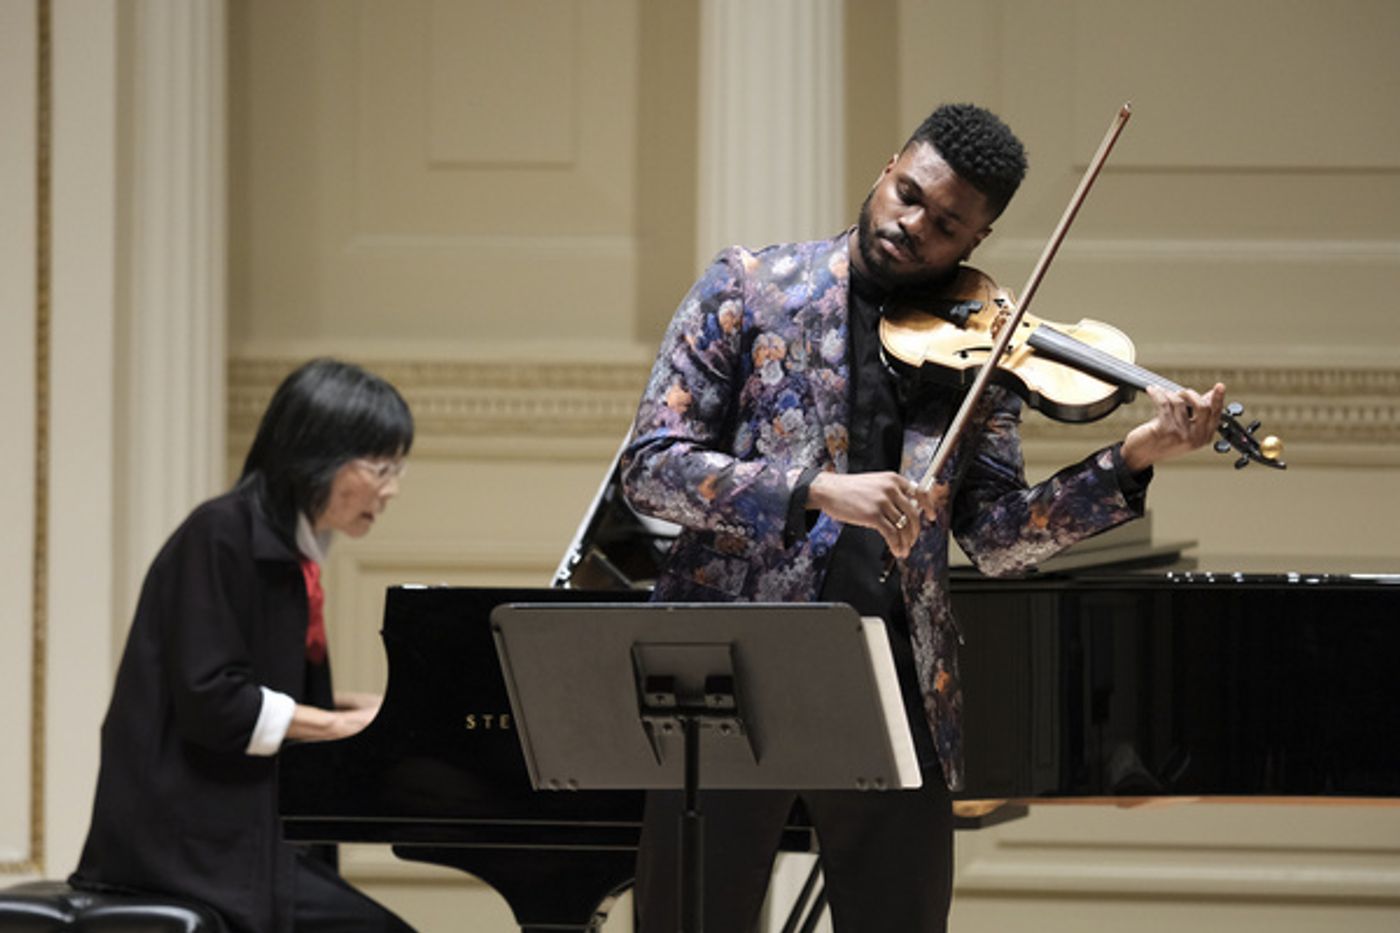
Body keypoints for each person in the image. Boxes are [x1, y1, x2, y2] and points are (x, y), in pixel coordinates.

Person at [620, 103, 1224, 932]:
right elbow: (651, 471)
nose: (913, 226)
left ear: (975, 241)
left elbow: (999, 540)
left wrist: (1134, 457)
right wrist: (817, 491)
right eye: (908, 194)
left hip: (895, 682)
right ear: (886, 169)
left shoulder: (985, 345)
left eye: (945, 225)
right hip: (733, 674)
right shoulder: (750, 289)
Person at [71, 358, 417, 932]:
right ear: (318, 462)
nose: (392, 489)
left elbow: (265, 692)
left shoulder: (287, 550)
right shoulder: (219, 534)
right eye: (381, 468)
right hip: (181, 842)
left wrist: (361, 709)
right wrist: (339, 726)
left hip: (234, 834)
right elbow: (215, 702)